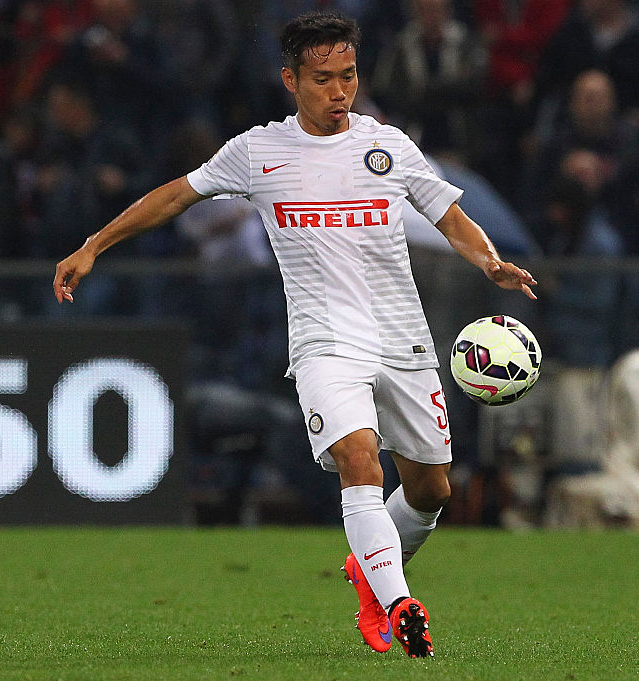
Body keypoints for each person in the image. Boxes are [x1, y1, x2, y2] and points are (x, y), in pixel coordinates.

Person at [52, 11, 537, 658]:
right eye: (323, 79)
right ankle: (398, 602)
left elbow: (450, 216)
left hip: (404, 340)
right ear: (291, 80)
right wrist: (94, 245)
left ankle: (370, 569)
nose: (340, 92)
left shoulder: (388, 146)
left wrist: (489, 260)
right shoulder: (259, 152)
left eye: (349, 76)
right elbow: (174, 197)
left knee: (431, 489)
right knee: (360, 460)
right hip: (324, 343)